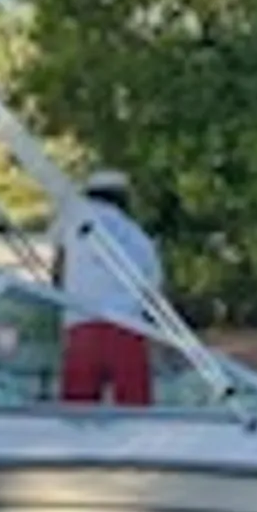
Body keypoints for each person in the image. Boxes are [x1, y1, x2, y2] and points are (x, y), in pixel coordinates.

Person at [51, 169, 165, 405]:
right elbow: (152, 291)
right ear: (124, 198)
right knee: (135, 411)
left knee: (77, 413)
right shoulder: (137, 236)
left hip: (81, 325)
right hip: (127, 327)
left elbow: (58, 271)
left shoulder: (71, 221)